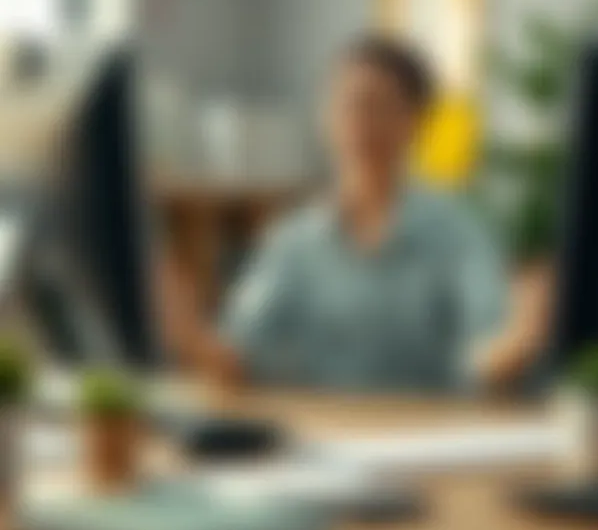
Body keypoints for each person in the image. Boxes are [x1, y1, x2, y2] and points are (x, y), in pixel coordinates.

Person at [160, 34, 547, 392]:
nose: (360, 123)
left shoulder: (460, 232)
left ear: (415, 120)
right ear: (324, 117)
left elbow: (484, 356)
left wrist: (522, 337)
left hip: (429, 436)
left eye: (379, 106)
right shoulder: (292, 240)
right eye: (346, 103)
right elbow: (238, 360)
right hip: (318, 437)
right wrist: (186, 330)